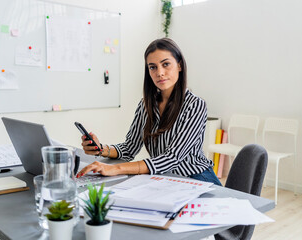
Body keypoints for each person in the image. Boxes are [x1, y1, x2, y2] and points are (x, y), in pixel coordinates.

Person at [76, 38, 221, 186]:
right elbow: (129, 148)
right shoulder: (146, 104)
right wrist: (100, 149)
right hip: (165, 179)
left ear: (179, 65)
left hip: (197, 178)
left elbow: (172, 158)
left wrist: (115, 168)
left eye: (166, 64)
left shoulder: (195, 105)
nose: (160, 73)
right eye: (153, 67)